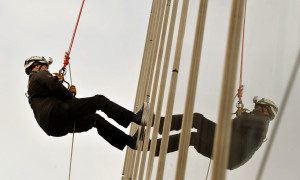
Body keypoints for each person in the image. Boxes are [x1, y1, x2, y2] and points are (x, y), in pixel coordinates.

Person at [24, 56, 145, 150]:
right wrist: (70, 96)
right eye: (45, 67)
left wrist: (69, 97)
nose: (47, 69)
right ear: (35, 66)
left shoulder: (32, 91)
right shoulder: (38, 75)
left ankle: (131, 142)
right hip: (55, 112)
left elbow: (55, 94)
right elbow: (54, 86)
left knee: (95, 120)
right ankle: (136, 118)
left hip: (53, 128)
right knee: (98, 101)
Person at [147, 97, 278, 170]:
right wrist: (241, 115)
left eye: (258, 106)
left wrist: (242, 114)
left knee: (196, 119)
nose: (255, 108)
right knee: (193, 138)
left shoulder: (262, 121)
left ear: (266, 110)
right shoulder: (258, 123)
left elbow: (234, 124)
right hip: (230, 155)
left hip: (230, 148)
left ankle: (157, 123)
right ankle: (152, 147)